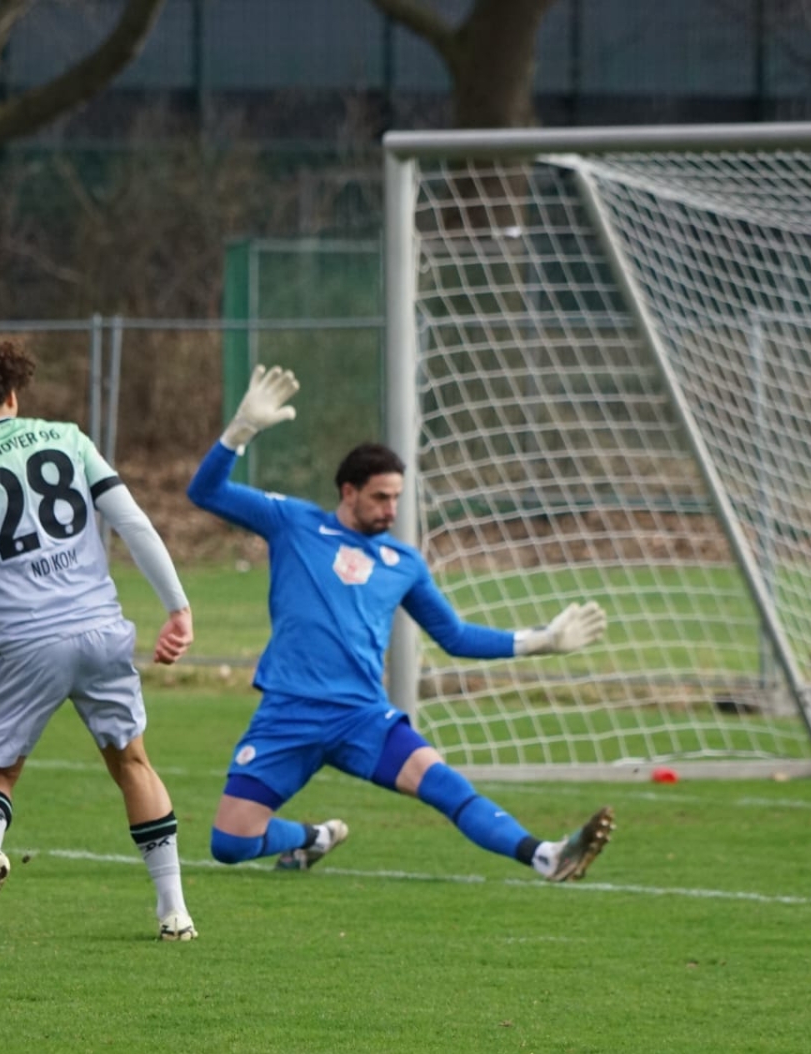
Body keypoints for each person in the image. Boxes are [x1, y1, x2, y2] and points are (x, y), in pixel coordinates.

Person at [187, 365, 614, 881]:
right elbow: (205, 492)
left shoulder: (403, 563)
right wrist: (240, 432)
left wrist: (541, 641)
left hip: (362, 716)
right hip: (289, 712)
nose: (391, 509)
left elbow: (454, 636)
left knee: (443, 783)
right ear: (348, 492)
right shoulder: (293, 523)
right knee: (230, 844)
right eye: (380, 497)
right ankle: (313, 838)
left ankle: (545, 854)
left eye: (396, 498)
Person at [0, 331, 196, 944]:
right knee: (133, 763)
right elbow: (133, 523)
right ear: (14, 392)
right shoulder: (69, 439)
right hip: (100, 631)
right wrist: (177, 608)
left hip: (26, 643)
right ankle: (174, 912)